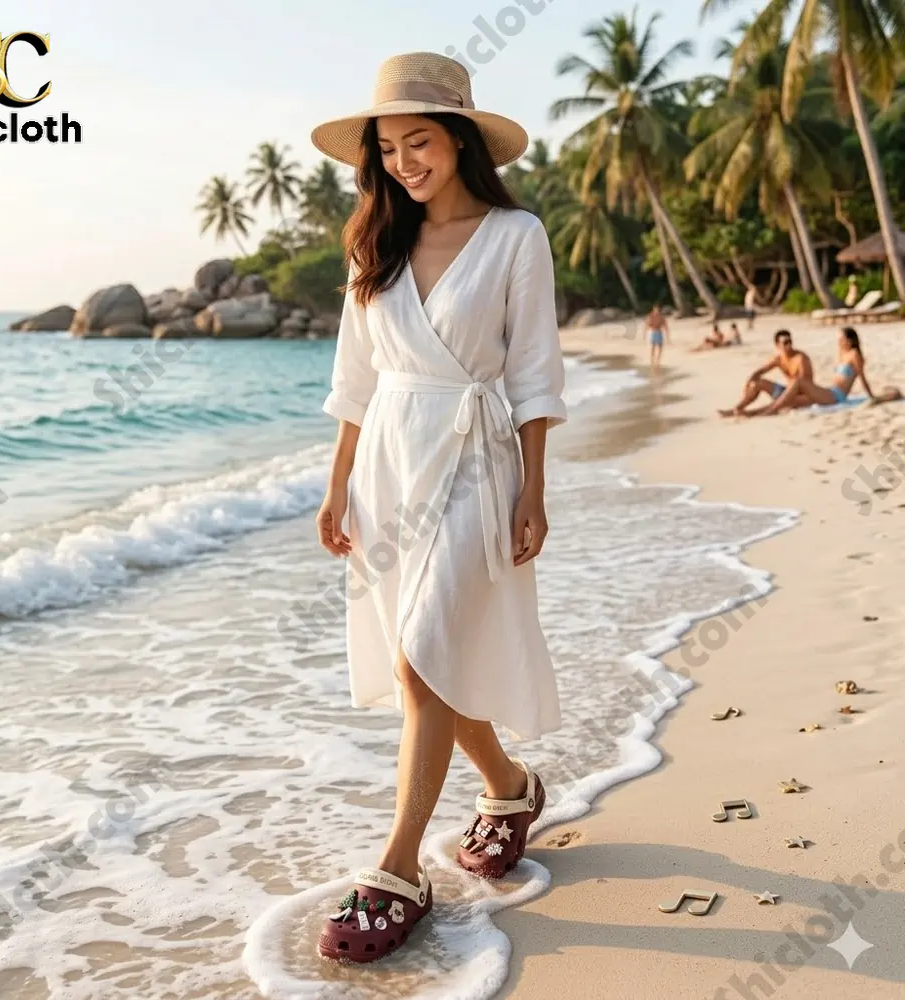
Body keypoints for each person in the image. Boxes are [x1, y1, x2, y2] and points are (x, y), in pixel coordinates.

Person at [310, 52, 566, 963]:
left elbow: (534, 372)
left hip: (473, 458)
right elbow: (355, 380)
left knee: (423, 656)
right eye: (387, 147)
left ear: (459, 138)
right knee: (431, 651)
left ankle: (398, 869)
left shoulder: (515, 235)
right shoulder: (370, 245)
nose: (404, 161)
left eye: (418, 141)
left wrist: (535, 484)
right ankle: (509, 788)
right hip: (386, 462)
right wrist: (337, 484)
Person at [759, 327, 902, 414]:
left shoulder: (854, 355)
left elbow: (861, 377)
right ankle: (752, 412)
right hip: (830, 392)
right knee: (793, 401)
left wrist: (871, 396)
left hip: (837, 396)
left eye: (841, 338)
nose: (838, 341)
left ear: (850, 341)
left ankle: (770, 411)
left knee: (798, 382)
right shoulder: (842, 354)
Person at [718, 329, 812, 417]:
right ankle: (737, 408)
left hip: (801, 395)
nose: (789, 345)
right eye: (785, 343)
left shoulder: (801, 358)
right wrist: (749, 382)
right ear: (778, 345)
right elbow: (760, 371)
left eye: (790, 342)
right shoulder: (779, 359)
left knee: (778, 403)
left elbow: (804, 384)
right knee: (757, 383)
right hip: (786, 391)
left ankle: (751, 413)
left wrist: (787, 396)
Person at [645, 306, 670, 371]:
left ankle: (657, 360)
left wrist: (667, 336)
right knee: (653, 347)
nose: (657, 312)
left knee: (659, 347)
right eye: (656, 310)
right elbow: (647, 325)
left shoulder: (661, 317)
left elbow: (665, 326)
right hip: (653, 332)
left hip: (657, 332)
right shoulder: (650, 316)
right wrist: (645, 334)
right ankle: (652, 360)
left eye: (658, 310)